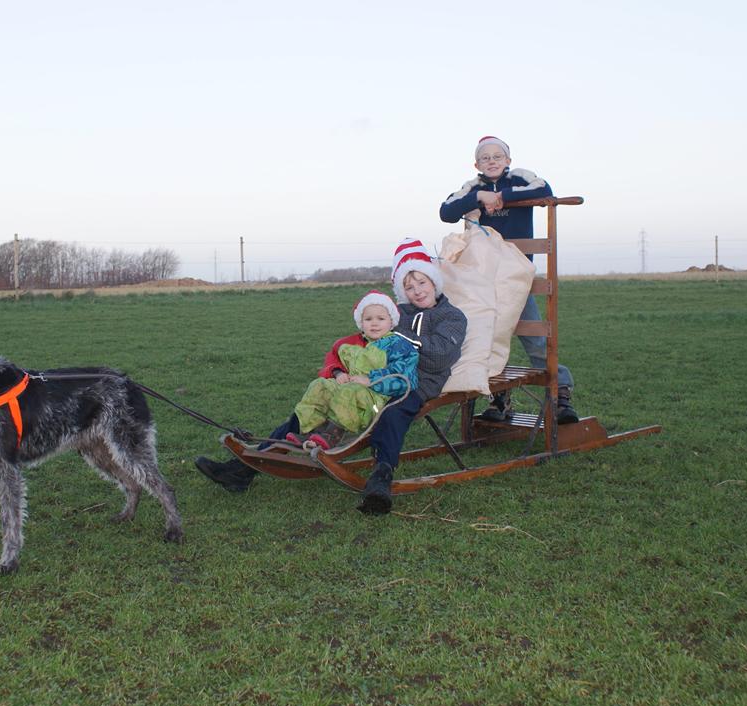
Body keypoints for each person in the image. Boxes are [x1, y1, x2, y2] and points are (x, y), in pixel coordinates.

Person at [194, 239, 467, 515]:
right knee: (314, 406)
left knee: (391, 415)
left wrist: (398, 333)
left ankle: (381, 478)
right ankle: (244, 469)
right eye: (409, 286)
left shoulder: (451, 317)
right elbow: (357, 342)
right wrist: (338, 372)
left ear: (434, 281)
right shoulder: (397, 313)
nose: (417, 291)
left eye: (422, 282)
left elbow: (442, 355)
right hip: (369, 379)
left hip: (414, 386)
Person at [439, 135, 579, 425]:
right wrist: (479, 197)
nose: (492, 161)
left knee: (536, 338)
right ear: (477, 163)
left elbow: (545, 189)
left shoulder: (519, 179)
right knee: (485, 338)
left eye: (497, 156)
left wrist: (502, 198)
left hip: (514, 277)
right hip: (482, 280)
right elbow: (446, 211)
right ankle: (498, 399)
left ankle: (561, 393)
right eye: (485, 158)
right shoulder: (472, 187)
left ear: (508, 160)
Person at [285, 290, 418, 450]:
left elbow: (405, 378)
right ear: (361, 323)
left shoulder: (398, 345)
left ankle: (333, 434)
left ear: (391, 321)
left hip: (376, 399)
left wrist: (371, 379)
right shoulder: (355, 345)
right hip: (351, 387)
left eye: (380, 318)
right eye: (368, 319)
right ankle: (310, 429)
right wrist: (340, 373)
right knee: (319, 385)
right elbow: (336, 361)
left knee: (350, 391)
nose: (374, 323)